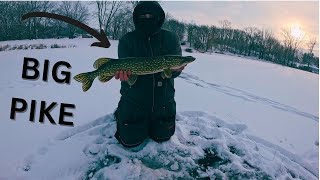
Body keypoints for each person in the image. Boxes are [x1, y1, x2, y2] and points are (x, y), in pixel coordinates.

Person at [114, 1, 185, 148]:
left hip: (163, 101)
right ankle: (121, 113)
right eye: (143, 15)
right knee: (129, 141)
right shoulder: (127, 40)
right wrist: (125, 77)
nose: (147, 18)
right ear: (136, 18)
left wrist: (174, 71)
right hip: (134, 100)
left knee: (162, 137)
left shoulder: (171, 38)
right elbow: (125, 71)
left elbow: (173, 72)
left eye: (151, 15)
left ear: (159, 17)